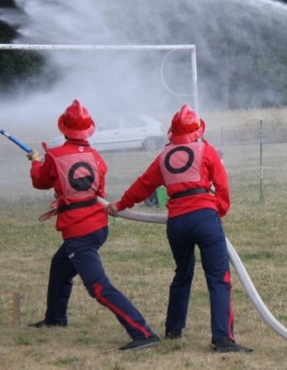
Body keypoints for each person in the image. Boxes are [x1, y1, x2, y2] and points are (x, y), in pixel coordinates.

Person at [107, 104, 252, 353]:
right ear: (197, 129)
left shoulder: (163, 156)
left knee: (182, 274)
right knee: (218, 278)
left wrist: (120, 205)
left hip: (177, 223)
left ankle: (174, 329)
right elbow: (222, 184)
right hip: (205, 218)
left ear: (173, 132)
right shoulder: (206, 150)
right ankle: (222, 340)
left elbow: (143, 185)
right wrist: (220, 211)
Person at [26, 99, 159, 351]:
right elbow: (98, 190)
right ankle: (55, 318)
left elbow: (40, 182)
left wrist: (35, 160)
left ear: (64, 128)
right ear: (89, 130)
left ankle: (143, 332)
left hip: (79, 230)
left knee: (98, 287)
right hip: (98, 226)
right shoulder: (96, 157)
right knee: (60, 266)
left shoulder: (54, 155)